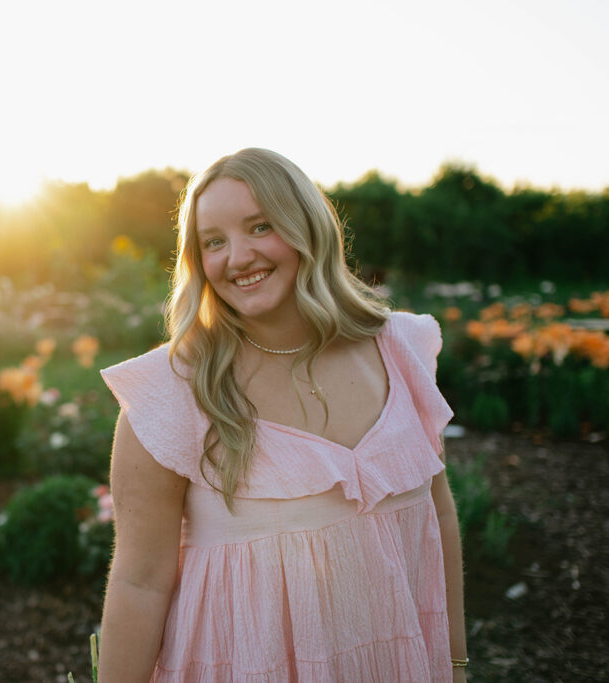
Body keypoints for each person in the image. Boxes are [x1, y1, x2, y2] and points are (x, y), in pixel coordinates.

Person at [98, 148, 468, 682]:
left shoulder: (401, 350)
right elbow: (140, 582)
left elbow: (439, 515)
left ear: (307, 228)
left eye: (260, 226)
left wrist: (455, 665)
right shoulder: (172, 395)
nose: (238, 256)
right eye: (213, 242)